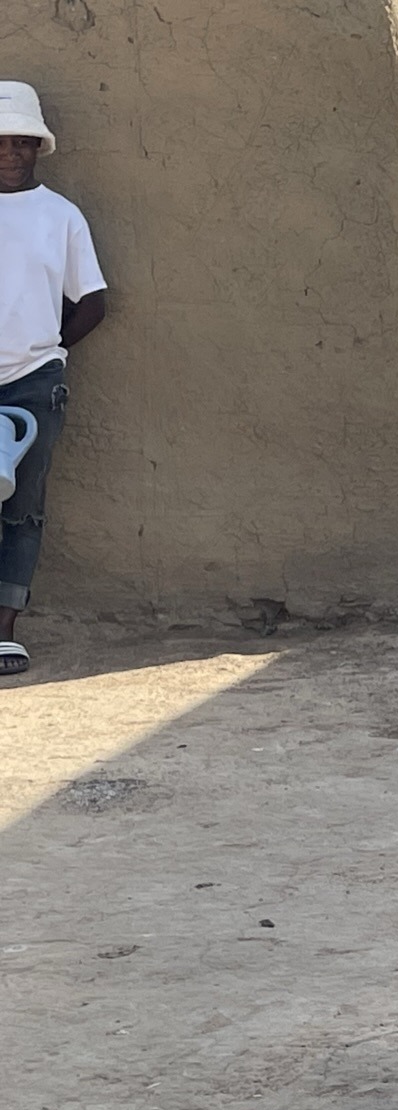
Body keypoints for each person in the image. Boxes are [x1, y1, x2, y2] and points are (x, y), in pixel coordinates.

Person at [0, 82, 107, 676]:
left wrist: (51, 350)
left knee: (23, 508)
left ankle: (4, 631)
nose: (9, 152)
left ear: (38, 148)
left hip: (34, 386)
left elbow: (92, 301)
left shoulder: (60, 216)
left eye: (21, 142)